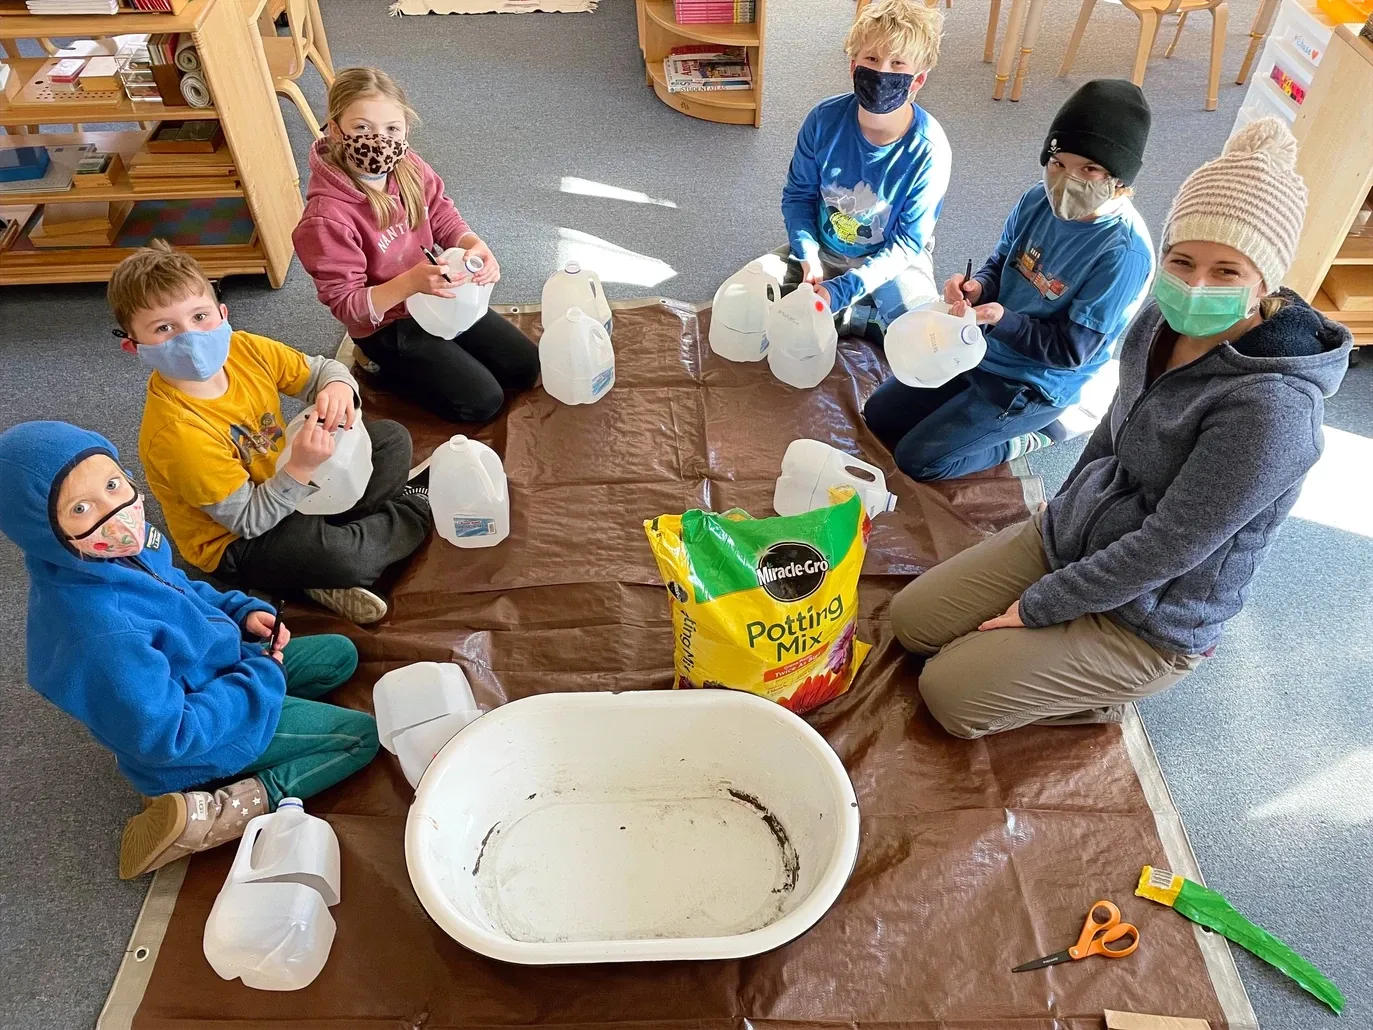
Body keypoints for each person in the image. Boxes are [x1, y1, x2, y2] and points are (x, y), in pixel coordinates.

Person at [888, 118, 1350, 739]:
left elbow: (1169, 546)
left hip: (1150, 616)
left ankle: (1105, 689)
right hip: (1080, 535)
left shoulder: (1272, 412)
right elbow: (1112, 429)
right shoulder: (1158, 323)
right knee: (910, 623)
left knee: (948, 694)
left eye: (1226, 272)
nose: (1195, 285)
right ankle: (1042, 647)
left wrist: (1041, 605)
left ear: (1264, 280)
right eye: (1182, 261)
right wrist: (1063, 511)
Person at [0, 421, 380, 879]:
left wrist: (239, 611)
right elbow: (171, 735)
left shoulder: (109, 548)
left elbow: (178, 588)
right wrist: (260, 679)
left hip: (218, 673)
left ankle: (264, 709)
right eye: (81, 508)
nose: (115, 511)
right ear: (43, 531)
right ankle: (226, 808)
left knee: (340, 654)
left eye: (113, 484)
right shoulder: (103, 634)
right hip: (196, 737)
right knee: (362, 737)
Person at [110, 241, 429, 626]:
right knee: (345, 558)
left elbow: (322, 371)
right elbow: (248, 519)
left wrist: (338, 388)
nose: (190, 337)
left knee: (392, 439)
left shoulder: (244, 349)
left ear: (222, 314)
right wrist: (300, 469)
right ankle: (413, 511)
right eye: (164, 328)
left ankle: (319, 560)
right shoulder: (176, 434)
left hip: (289, 479)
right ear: (134, 347)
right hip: (237, 539)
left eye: (200, 316)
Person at [863, 79, 1155, 481]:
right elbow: (1003, 261)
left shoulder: (1124, 254)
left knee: (919, 460)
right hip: (984, 346)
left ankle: (1040, 433)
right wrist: (979, 287)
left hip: (1036, 383)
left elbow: (1071, 350)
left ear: (1118, 179)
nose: (1066, 180)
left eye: (1088, 169)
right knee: (879, 415)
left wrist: (1001, 320)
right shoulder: (1037, 199)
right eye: (1058, 164)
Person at [293, 66, 539, 424]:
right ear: (335, 129)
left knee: (525, 367)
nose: (379, 141)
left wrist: (474, 243)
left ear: (405, 129)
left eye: (391, 129)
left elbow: (441, 214)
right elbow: (347, 305)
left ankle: (438, 357)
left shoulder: (408, 166)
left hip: (434, 297)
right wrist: (410, 283)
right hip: (386, 326)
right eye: (362, 128)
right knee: (483, 402)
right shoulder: (326, 219)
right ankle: (377, 365)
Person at [763, 0, 949, 337]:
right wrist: (807, 253)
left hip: (891, 261)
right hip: (825, 247)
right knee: (754, 296)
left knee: (925, 332)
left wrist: (844, 289)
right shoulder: (822, 120)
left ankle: (851, 314)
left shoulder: (929, 151)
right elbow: (798, 196)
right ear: (853, 66)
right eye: (872, 59)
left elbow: (907, 242)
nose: (882, 73)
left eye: (898, 63)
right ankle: (860, 317)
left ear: (917, 80)